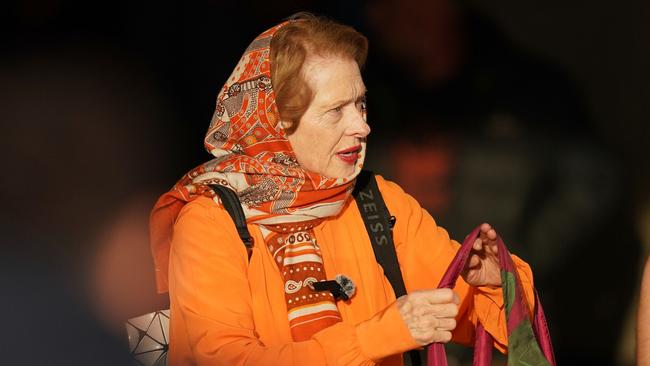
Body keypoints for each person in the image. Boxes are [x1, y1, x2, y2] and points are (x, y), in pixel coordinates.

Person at [150, 13, 538, 365]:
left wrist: (494, 282)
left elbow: (487, 320)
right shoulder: (211, 221)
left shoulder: (378, 200)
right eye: (337, 110)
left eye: (361, 104)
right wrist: (377, 336)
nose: (362, 126)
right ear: (277, 124)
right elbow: (219, 359)